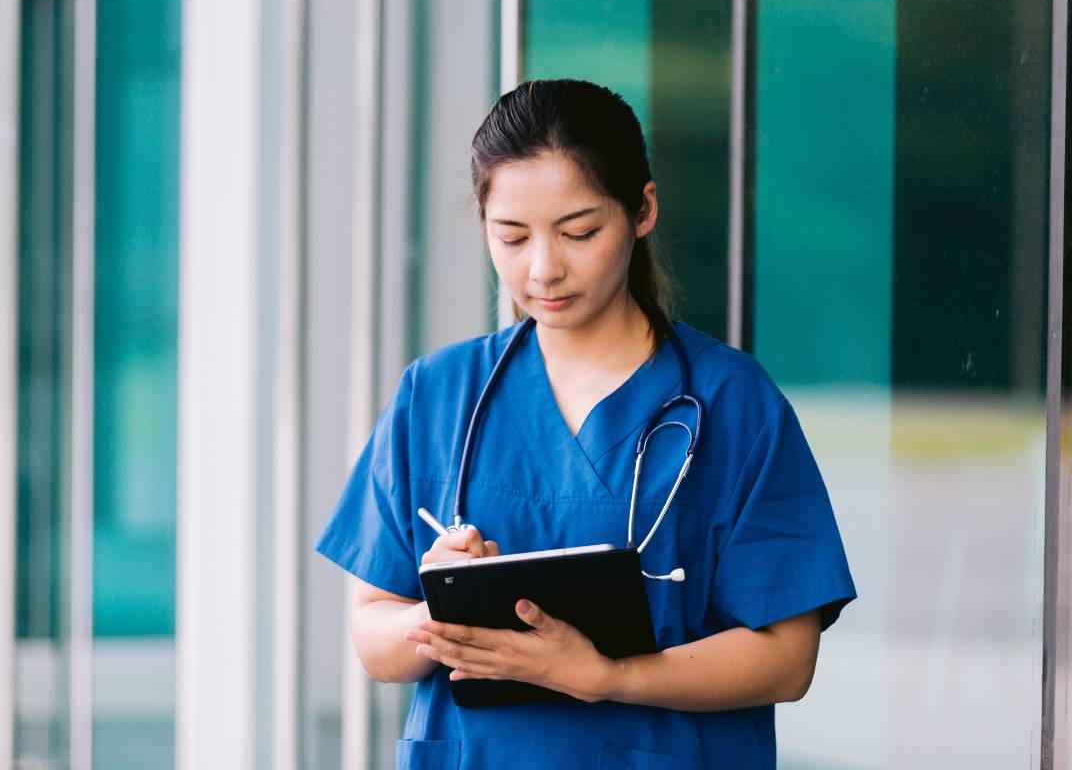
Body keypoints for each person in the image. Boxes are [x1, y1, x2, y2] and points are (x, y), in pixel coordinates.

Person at [315, 78, 856, 769]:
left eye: (579, 232)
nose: (543, 269)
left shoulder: (733, 403)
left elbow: (786, 658)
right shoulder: (438, 395)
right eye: (511, 236)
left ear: (642, 210)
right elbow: (374, 635)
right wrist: (437, 612)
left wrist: (607, 677)